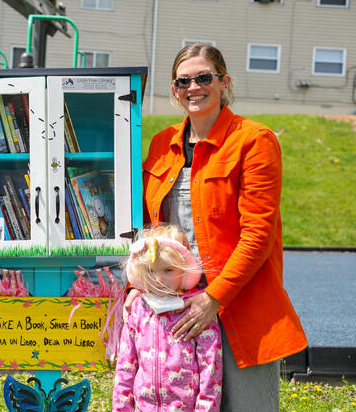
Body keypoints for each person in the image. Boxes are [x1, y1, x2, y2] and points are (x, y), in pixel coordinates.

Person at [125, 43, 307, 411]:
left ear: (224, 82)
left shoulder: (254, 140)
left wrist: (214, 297)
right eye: (183, 81)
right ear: (174, 91)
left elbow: (258, 233)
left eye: (204, 77)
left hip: (236, 304)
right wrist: (135, 285)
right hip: (171, 305)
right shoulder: (163, 145)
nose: (194, 87)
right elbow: (147, 227)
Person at [113, 224, 222, 411]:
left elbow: (210, 369)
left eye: (168, 270)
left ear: (185, 271)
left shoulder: (196, 311)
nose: (159, 279)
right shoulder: (138, 308)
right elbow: (125, 365)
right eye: (151, 271)